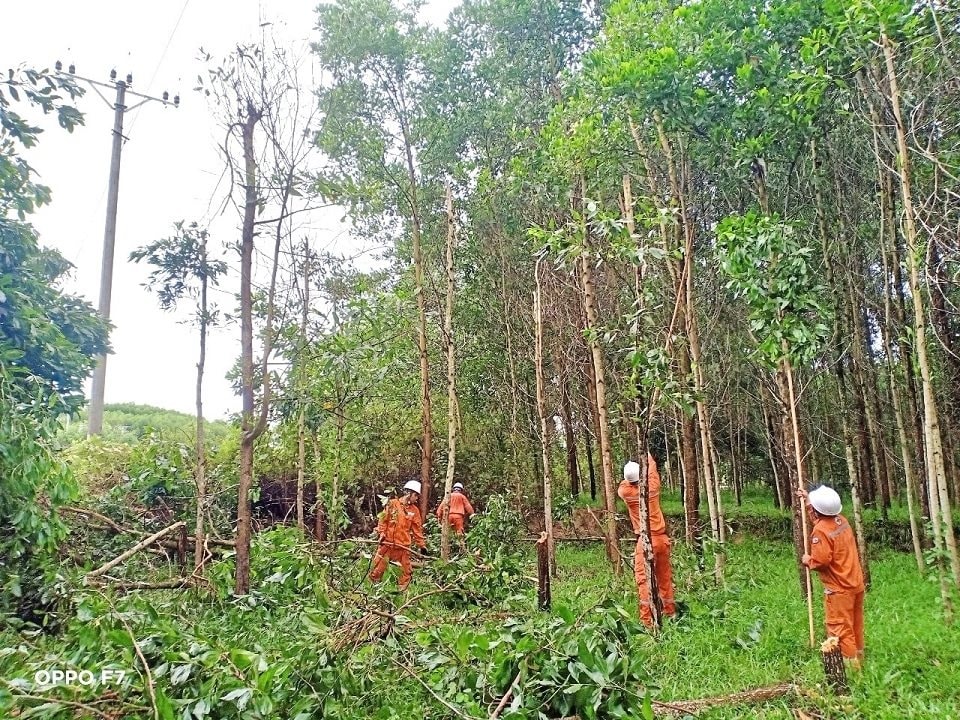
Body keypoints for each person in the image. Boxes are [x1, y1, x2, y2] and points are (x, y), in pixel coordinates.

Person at [799, 485, 865, 669]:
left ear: (818, 510)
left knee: (841, 630)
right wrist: (808, 502)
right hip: (855, 584)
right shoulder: (841, 521)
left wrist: (808, 560)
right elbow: (823, 524)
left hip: (839, 590)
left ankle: (850, 670)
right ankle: (859, 659)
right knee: (855, 624)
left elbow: (821, 561)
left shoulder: (820, 532)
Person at [618, 454, 676, 627]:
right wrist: (648, 456)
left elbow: (625, 482)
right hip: (661, 539)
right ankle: (669, 612)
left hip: (644, 541)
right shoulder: (653, 487)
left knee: (643, 580)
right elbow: (652, 468)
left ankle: (647, 620)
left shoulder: (625, 492)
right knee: (664, 577)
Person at [369, 479, 427, 591]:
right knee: (377, 570)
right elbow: (383, 521)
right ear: (409, 493)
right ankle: (372, 592)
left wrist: (422, 546)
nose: (417, 498)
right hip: (388, 544)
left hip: (403, 547)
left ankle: (401, 593)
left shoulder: (415, 511)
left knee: (406, 573)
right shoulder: (392, 504)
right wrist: (382, 534)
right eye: (416, 495)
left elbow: (417, 531)